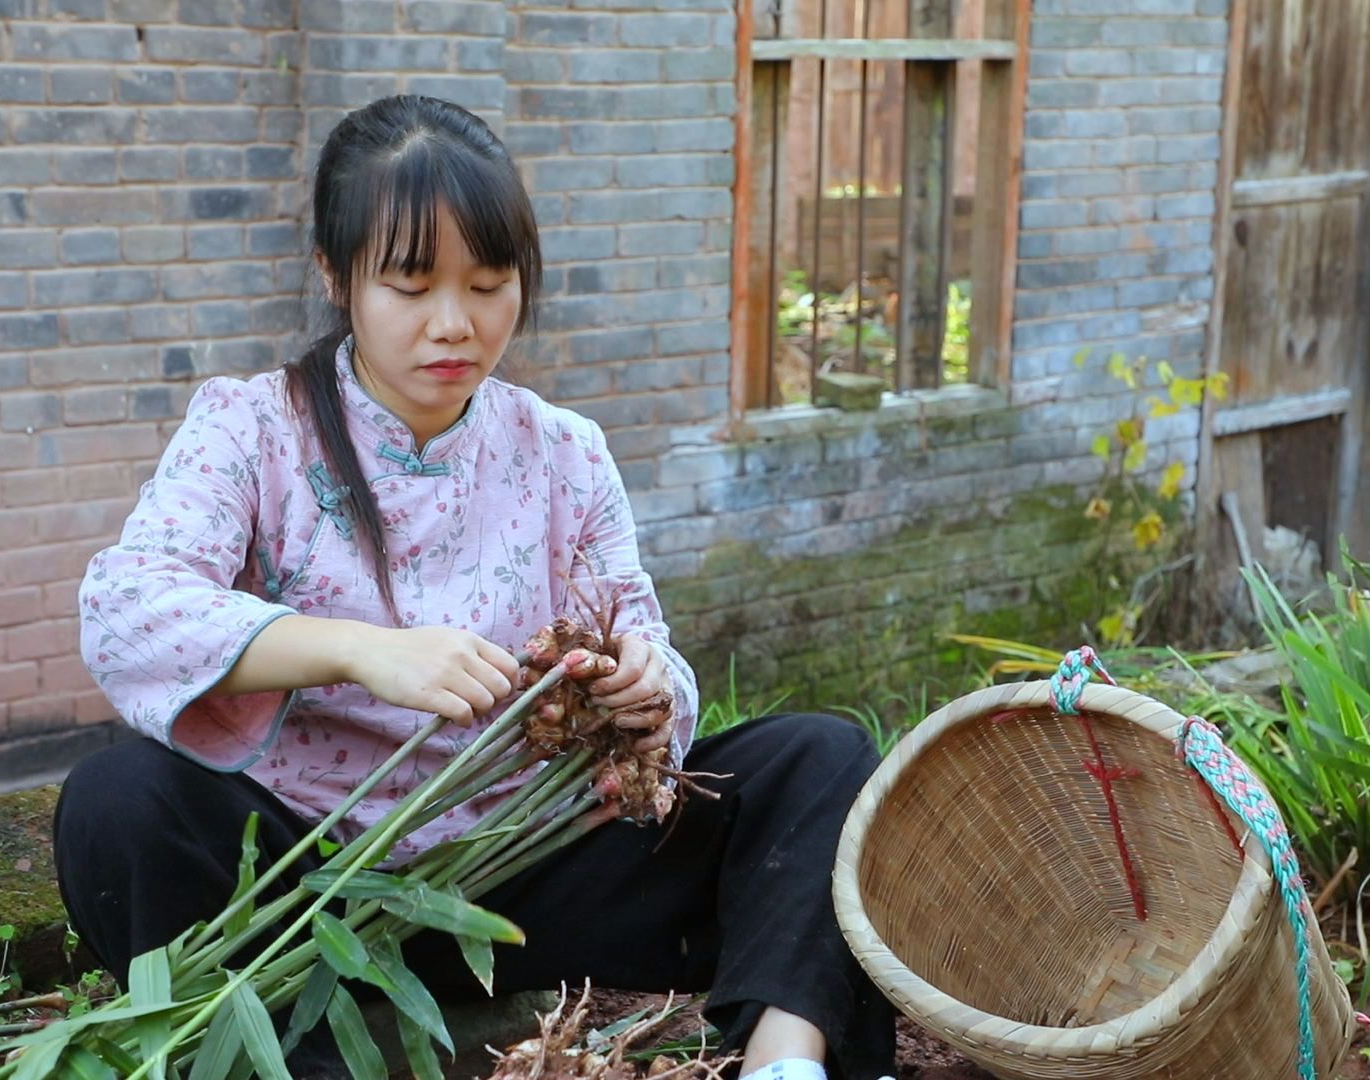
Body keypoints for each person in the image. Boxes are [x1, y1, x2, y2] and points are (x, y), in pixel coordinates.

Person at [55, 94, 896, 1080]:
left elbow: (647, 643)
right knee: (116, 801)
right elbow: (125, 611)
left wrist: (642, 686)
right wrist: (356, 647)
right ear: (336, 276)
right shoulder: (253, 430)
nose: (454, 324)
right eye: (410, 287)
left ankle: (787, 1061)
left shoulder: (563, 453)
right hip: (303, 889)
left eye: (489, 283)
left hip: (517, 878)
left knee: (820, 757)